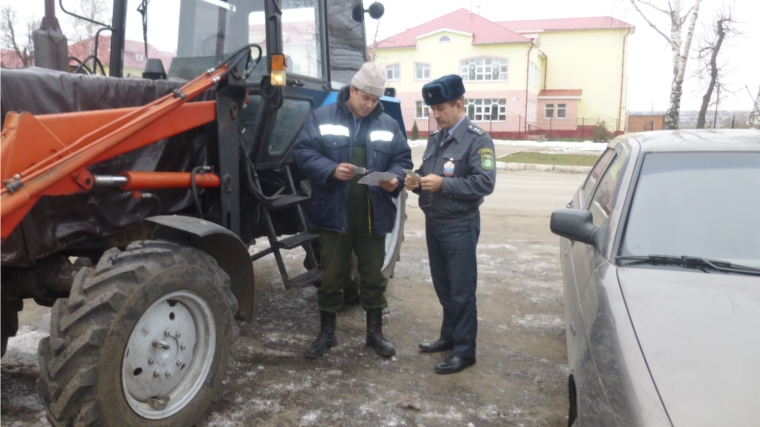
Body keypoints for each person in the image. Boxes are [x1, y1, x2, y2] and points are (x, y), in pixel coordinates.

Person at [293, 62, 413, 359]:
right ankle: (327, 334)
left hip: (374, 213)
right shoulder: (322, 117)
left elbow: (402, 158)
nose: (369, 106)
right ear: (353, 90)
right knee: (332, 275)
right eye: (365, 99)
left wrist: (394, 180)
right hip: (335, 211)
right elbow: (304, 153)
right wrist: (331, 169)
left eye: (375, 101)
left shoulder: (388, 124)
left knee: (373, 276)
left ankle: (374, 334)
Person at [404, 74, 496, 374]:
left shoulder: (477, 138)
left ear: (459, 104)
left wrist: (444, 185)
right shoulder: (437, 137)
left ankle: (465, 350)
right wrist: (416, 181)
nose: (435, 115)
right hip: (435, 222)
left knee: (461, 290)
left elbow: (484, 183)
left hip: (459, 225)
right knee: (444, 287)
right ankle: (449, 336)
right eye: (432, 109)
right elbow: (429, 172)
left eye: (441, 108)